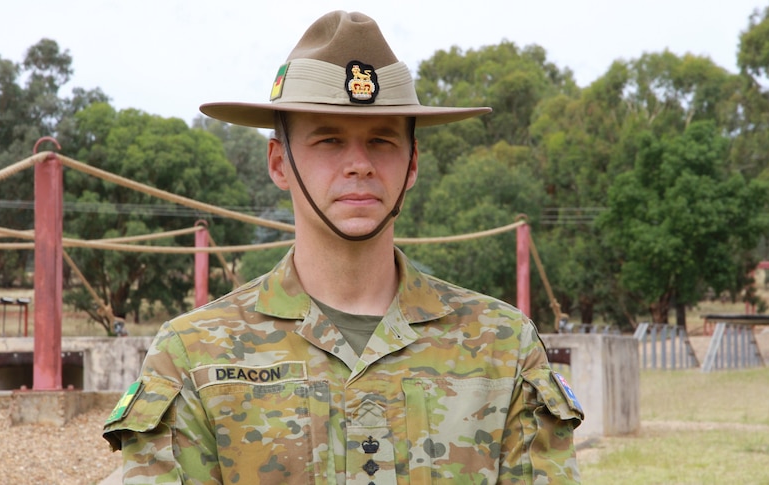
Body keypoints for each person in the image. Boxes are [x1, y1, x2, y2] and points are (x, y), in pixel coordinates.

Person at [103, 10, 583, 484]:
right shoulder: (195, 354)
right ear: (278, 162)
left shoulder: (503, 346)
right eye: (329, 140)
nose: (359, 164)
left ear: (412, 163)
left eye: (382, 140)